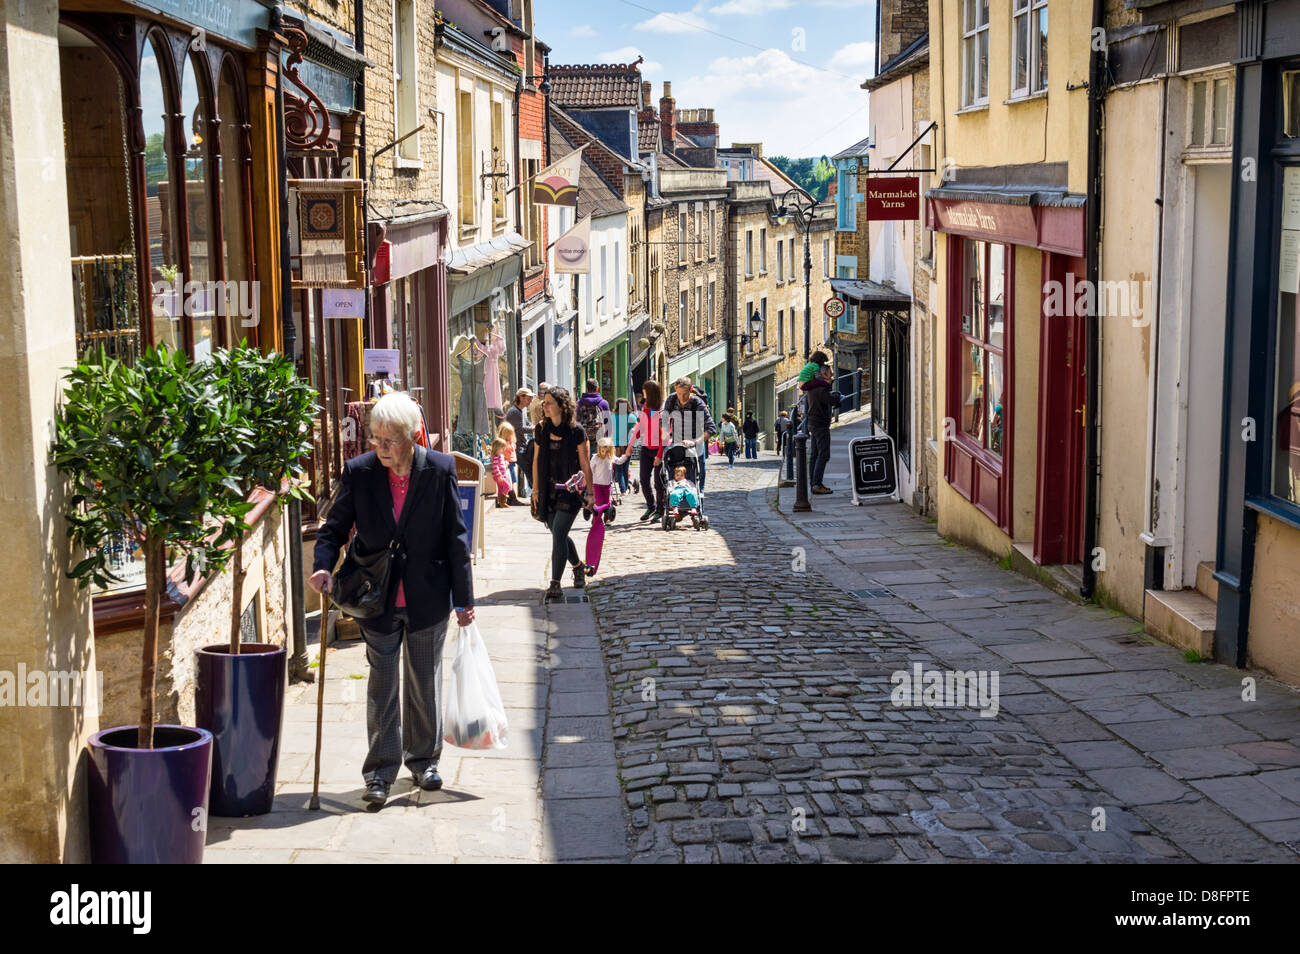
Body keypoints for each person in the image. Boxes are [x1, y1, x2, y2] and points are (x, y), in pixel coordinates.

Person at [310, 391, 474, 808]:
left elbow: (456, 538)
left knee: (423, 681)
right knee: (382, 684)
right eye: (376, 440)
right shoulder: (360, 472)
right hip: (375, 598)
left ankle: (423, 761)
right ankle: (380, 772)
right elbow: (333, 528)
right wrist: (324, 565)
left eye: (390, 440)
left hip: (427, 596)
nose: (380, 448)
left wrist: (464, 598)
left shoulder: (439, 470)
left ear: (414, 436)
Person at [531, 386, 594, 600]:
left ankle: (555, 583)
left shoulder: (576, 431)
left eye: (549, 402)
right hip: (548, 489)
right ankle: (578, 566)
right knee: (559, 533)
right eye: (544, 402)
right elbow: (537, 460)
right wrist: (536, 489)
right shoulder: (541, 429)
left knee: (558, 532)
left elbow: (585, 463)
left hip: (571, 490)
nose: (544, 405)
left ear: (561, 405)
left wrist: (591, 493)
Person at [622, 381, 667, 520]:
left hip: (659, 449)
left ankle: (660, 510)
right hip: (646, 448)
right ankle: (651, 506)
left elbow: (665, 435)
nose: (643, 393)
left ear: (651, 392)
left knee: (659, 483)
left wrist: (659, 455)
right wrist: (631, 445)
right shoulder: (646, 407)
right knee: (643, 480)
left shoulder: (663, 409)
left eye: (645, 390)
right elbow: (640, 427)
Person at [661, 376, 715, 492]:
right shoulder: (671, 399)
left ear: (690, 390)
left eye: (684, 394)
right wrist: (665, 431)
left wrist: (695, 442)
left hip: (696, 443)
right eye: (679, 393)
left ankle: (698, 505)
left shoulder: (697, 403)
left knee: (696, 480)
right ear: (675, 389)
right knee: (676, 477)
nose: (681, 397)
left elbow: (711, 428)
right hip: (678, 443)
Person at [801, 357, 840, 495]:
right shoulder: (821, 388)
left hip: (812, 422)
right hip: (820, 423)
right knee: (824, 454)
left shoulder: (814, 387)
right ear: (824, 374)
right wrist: (838, 397)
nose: (832, 374)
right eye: (830, 372)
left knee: (815, 454)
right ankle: (816, 484)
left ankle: (814, 482)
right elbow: (830, 400)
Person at [504, 387, 534, 498]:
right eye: (529, 398)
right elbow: (521, 429)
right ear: (521, 398)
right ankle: (535, 493)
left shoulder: (519, 411)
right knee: (528, 470)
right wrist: (535, 428)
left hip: (518, 446)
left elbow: (527, 424)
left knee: (525, 470)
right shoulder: (514, 412)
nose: (531, 400)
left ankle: (513, 497)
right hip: (516, 447)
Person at [576, 378, 610, 453]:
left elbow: (575, 422)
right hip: (599, 441)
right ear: (597, 388)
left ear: (586, 388)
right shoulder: (603, 403)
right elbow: (608, 424)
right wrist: (607, 441)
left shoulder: (578, 403)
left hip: (582, 441)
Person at [611, 397, 634, 495]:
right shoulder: (632, 417)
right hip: (628, 445)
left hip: (616, 445)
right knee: (626, 467)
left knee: (619, 469)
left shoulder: (613, 417)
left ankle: (623, 490)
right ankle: (626, 488)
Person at [490, 436, 512, 507]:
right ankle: (503, 501)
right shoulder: (496, 456)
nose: (503, 449)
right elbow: (495, 467)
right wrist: (499, 475)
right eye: (502, 448)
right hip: (499, 476)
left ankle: (500, 501)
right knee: (507, 486)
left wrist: (505, 463)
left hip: (501, 475)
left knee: (500, 488)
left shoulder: (500, 455)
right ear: (497, 448)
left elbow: (500, 464)